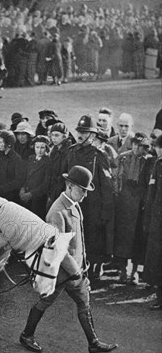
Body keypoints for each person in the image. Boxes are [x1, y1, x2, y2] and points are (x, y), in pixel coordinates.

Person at [19, 165, 118, 353]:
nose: (85, 195)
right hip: (63, 271)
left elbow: (78, 240)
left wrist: (83, 264)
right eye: (82, 190)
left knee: (84, 302)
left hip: (76, 269)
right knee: (45, 301)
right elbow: (58, 247)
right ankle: (26, 335)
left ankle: (93, 343)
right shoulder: (57, 211)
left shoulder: (73, 205)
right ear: (70, 185)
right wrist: (75, 269)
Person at [67, 115, 115, 283]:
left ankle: (91, 273)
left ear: (93, 135)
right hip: (74, 205)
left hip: (93, 207)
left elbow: (107, 187)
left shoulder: (98, 156)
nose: (80, 134)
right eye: (79, 131)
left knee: (92, 241)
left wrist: (105, 212)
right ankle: (76, 272)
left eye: (85, 132)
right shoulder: (71, 151)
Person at [113, 133, 154, 284]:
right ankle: (123, 270)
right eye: (135, 144)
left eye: (141, 145)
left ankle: (135, 271)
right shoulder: (123, 157)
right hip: (124, 202)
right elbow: (115, 178)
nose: (137, 148)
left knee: (137, 238)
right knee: (123, 238)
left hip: (140, 203)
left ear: (145, 148)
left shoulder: (149, 161)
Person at [143, 134, 162, 309]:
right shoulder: (158, 164)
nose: (158, 150)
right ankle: (159, 296)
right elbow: (151, 192)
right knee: (156, 258)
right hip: (157, 219)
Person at [19, 135, 51, 219]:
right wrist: (22, 188)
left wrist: (30, 194)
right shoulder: (31, 159)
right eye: (37, 147)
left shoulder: (48, 162)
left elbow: (46, 185)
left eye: (42, 147)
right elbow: (25, 176)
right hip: (26, 195)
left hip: (38, 199)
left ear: (46, 148)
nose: (39, 150)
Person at [0, 130, 24, 202]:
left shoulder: (17, 159)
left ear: (9, 144)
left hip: (10, 197)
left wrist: (3, 188)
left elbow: (19, 180)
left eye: (0, 142)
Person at [47, 122, 73, 209]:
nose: (53, 138)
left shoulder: (69, 151)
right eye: (52, 135)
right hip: (52, 189)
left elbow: (65, 176)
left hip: (62, 191)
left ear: (64, 136)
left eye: (57, 135)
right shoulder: (54, 149)